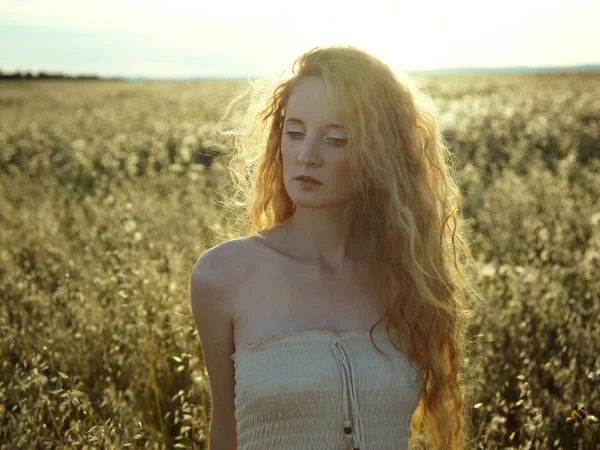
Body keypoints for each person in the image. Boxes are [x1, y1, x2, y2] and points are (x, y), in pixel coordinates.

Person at [190, 45, 480, 450]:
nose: (307, 156)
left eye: (335, 139)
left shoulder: (408, 276)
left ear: (380, 154)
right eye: (294, 133)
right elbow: (225, 431)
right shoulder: (223, 275)